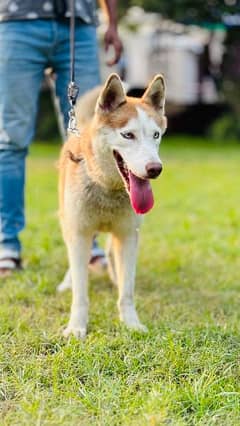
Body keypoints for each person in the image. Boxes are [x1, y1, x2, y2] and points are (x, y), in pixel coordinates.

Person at [0, 0, 123, 276]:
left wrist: (112, 23)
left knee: (87, 138)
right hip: (17, 22)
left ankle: (89, 244)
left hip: (78, 25)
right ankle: (7, 244)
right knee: (11, 139)